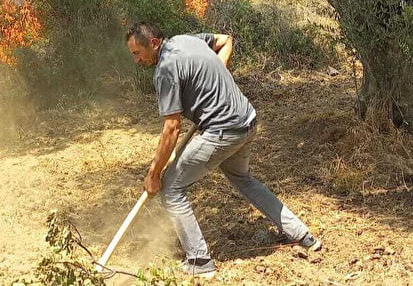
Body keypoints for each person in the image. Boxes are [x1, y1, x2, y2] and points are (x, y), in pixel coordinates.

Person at [125, 21, 321, 278]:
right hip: (247, 120)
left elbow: (172, 128)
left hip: (223, 131)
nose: (136, 60)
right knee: (243, 179)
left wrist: (154, 172)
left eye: (137, 53)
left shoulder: (165, 69)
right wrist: (218, 72)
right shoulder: (187, 39)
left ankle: (199, 261)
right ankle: (302, 235)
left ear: (153, 43)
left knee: (171, 188)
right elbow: (225, 40)